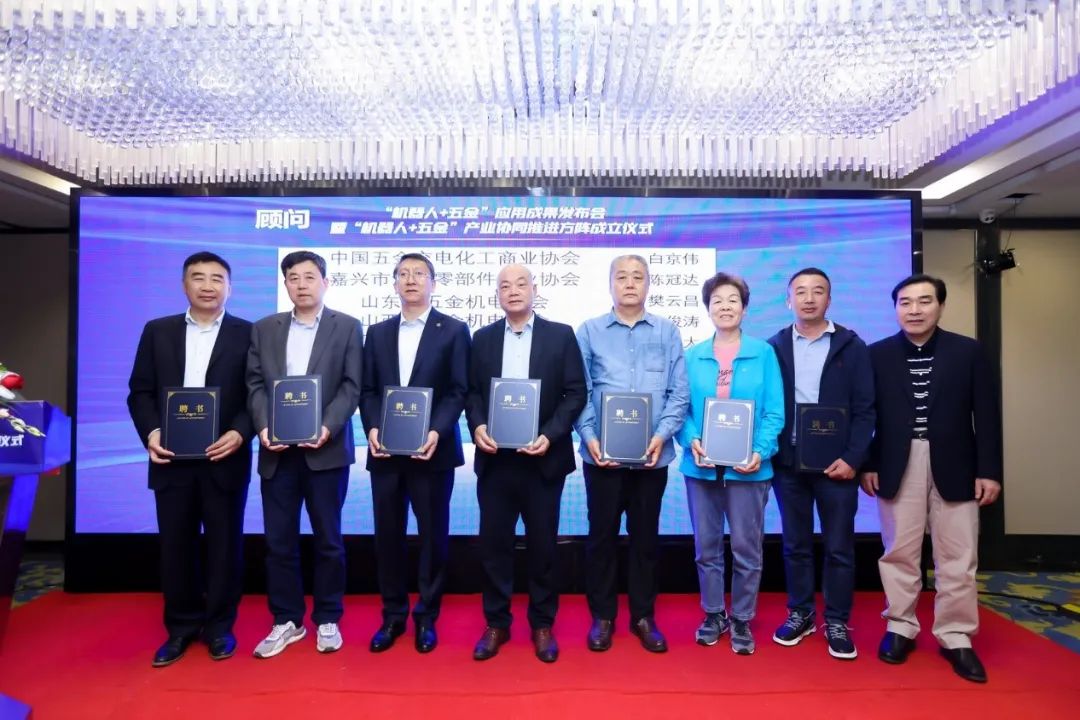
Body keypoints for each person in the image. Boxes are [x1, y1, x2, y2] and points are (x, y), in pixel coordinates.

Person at [860, 274, 1002, 683]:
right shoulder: (877, 354)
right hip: (896, 462)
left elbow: (987, 415)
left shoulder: (968, 351)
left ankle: (956, 635)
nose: (915, 310)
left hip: (957, 463)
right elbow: (868, 416)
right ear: (895, 308)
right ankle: (900, 626)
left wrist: (989, 470)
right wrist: (869, 463)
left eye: (924, 301)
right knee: (899, 551)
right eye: (905, 302)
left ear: (940, 305)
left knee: (958, 554)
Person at [127, 251, 253, 667]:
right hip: (171, 459)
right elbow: (140, 392)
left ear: (229, 287)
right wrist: (152, 432)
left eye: (217, 278)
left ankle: (219, 627)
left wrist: (240, 432)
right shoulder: (157, 331)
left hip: (225, 458)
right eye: (198, 278)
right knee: (175, 546)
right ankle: (180, 628)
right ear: (184, 285)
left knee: (224, 547)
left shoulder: (248, 333)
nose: (207, 286)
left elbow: (256, 394)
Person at [466, 264, 586, 663]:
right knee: (494, 547)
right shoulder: (482, 338)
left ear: (535, 289)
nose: (513, 290)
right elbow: (471, 393)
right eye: (505, 285)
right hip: (495, 461)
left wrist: (549, 435)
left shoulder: (560, 335)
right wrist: (478, 425)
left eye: (521, 284)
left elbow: (575, 393)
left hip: (543, 461)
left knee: (543, 547)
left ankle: (542, 624)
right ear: (497, 294)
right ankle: (496, 622)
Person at [246, 250, 363, 658]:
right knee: (279, 542)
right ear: (285, 285)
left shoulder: (347, 326)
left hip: (325, 452)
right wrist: (264, 427)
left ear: (325, 283)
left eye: (310, 277)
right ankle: (287, 620)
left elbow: (351, 386)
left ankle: (328, 617)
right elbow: (254, 384)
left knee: (329, 540)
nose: (301, 284)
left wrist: (326, 427)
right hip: (277, 453)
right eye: (293, 278)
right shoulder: (265, 328)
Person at [574, 254, 689, 653]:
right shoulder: (589, 331)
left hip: (652, 456)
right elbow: (580, 390)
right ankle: (603, 617)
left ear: (648, 284)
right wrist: (590, 436)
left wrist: (661, 435)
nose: (629, 283)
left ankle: (643, 617)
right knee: (601, 538)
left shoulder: (667, 331)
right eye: (621, 277)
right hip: (601, 457)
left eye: (637, 277)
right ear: (610, 284)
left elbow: (679, 392)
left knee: (645, 540)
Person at [360, 252, 470, 654]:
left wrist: (436, 430)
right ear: (394, 284)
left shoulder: (453, 330)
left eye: (419, 273)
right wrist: (373, 427)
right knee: (387, 536)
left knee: (432, 536)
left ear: (433, 283)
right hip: (385, 453)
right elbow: (368, 390)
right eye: (403, 274)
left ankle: (427, 615)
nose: (411, 280)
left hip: (432, 452)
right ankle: (392, 616)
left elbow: (459, 389)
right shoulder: (377, 333)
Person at [766, 268, 875, 660]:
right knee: (795, 545)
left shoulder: (852, 346)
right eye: (800, 292)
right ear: (788, 300)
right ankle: (801, 613)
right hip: (789, 464)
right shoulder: (774, 346)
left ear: (829, 299)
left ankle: (837, 620)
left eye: (818, 291)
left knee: (839, 547)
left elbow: (866, 409)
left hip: (838, 467)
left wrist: (853, 459)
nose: (809, 298)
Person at [676, 272, 784, 655]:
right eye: (717, 300)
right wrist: (692, 439)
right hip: (701, 468)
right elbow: (682, 409)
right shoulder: (692, 356)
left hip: (749, 469)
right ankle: (712, 614)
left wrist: (759, 451)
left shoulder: (763, 353)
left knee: (746, 549)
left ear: (744, 308)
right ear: (707, 309)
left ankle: (741, 617)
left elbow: (774, 411)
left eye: (733, 300)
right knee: (706, 547)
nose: (725, 306)